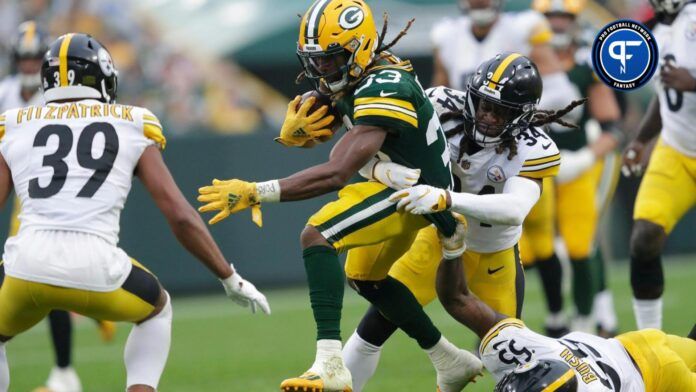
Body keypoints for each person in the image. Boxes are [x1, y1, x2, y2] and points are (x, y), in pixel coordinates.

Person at [197, 1, 482, 390]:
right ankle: (447, 358)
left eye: (330, 60)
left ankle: (330, 362)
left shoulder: (384, 85)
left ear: (360, 48)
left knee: (318, 234)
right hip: (396, 184)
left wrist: (257, 192)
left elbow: (336, 172)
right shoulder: (360, 75)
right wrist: (297, 135)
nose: (321, 71)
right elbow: (342, 146)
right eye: (315, 61)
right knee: (365, 278)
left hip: (421, 196)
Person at [0, 33, 270, 392]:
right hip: (95, 265)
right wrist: (228, 276)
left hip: (24, 265)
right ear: (102, 76)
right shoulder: (131, 121)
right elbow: (179, 214)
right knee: (158, 309)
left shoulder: (15, 123)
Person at [344, 53, 586, 391]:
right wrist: (386, 171)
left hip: (494, 257)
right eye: (484, 105)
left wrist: (448, 199)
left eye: (500, 111)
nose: (488, 116)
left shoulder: (536, 147)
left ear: (522, 116)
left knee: (511, 364)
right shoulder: (438, 106)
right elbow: (363, 152)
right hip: (439, 241)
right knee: (374, 326)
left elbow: (515, 208)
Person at [436, 224, 696, 391]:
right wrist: (452, 248)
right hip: (638, 345)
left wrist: (452, 251)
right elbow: (457, 299)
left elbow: (457, 298)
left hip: (658, 374)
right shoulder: (518, 350)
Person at [0, 21, 116, 392]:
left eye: (37, 59)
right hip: (17, 188)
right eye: (25, 58)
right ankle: (92, 312)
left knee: (41, 273)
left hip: (42, 196)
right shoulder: (6, 93)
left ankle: (65, 370)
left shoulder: (51, 97)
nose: (31, 66)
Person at [521, 0, 624, 336]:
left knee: (580, 245)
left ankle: (585, 326)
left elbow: (612, 128)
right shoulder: (523, 62)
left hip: (578, 163)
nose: (558, 24)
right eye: (551, 18)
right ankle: (537, 321)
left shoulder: (585, 63)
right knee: (525, 250)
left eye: (564, 17)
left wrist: (584, 158)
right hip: (535, 165)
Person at [622, 0, 696, 330]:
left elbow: (684, 82)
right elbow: (666, 93)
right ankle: (649, 338)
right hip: (677, 149)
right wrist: (641, 139)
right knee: (644, 238)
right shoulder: (659, 28)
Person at [430, 0, 578, 113]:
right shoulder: (447, 35)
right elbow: (440, 95)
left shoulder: (523, 28)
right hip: (467, 129)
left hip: (513, 130)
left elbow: (562, 94)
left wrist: (514, 111)